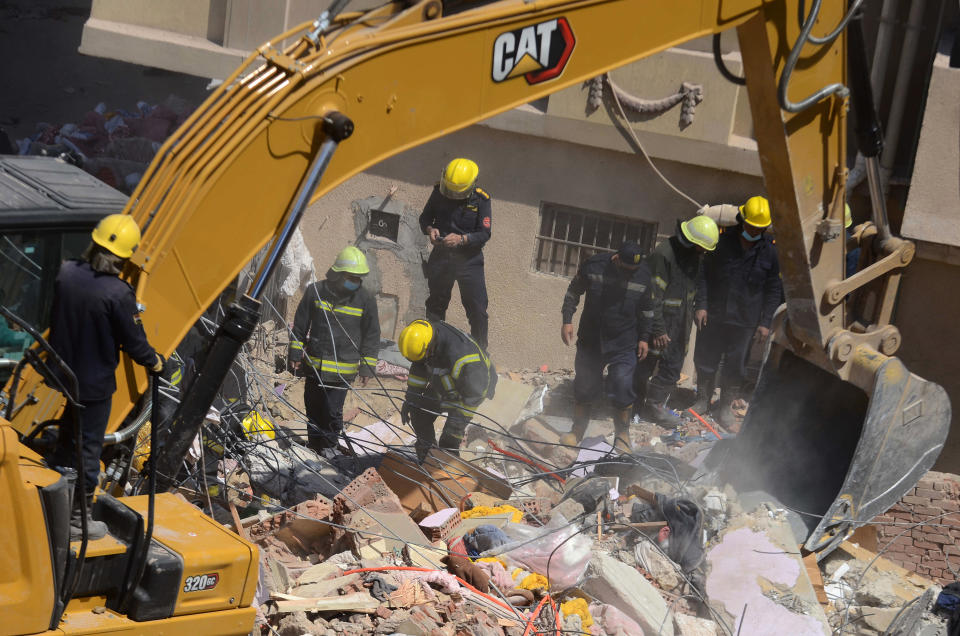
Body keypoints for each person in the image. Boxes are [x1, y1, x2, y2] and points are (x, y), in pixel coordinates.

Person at [47, 213, 164, 540]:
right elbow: (132, 340)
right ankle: (74, 521)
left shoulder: (66, 272)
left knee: (68, 437)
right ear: (126, 256)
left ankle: (51, 494)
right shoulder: (117, 292)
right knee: (88, 450)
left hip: (62, 375)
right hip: (94, 385)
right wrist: (154, 361)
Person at [692, 195, 782, 429]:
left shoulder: (770, 252)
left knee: (735, 365)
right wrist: (701, 304)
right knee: (707, 358)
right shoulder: (722, 243)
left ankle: (724, 408)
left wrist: (765, 322)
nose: (754, 230)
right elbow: (704, 275)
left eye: (759, 228)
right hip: (715, 315)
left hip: (745, 321)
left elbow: (773, 289)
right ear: (742, 220)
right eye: (751, 225)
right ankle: (702, 400)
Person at [559, 242, 655, 452]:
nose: (630, 274)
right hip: (592, 338)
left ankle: (622, 434)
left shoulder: (644, 275)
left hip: (624, 341)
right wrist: (567, 319)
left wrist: (645, 337)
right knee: (584, 384)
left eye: (634, 271)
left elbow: (647, 309)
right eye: (626, 269)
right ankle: (577, 429)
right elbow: (573, 292)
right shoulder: (594, 266)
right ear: (616, 258)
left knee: (622, 385)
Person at [289, 246, 380, 456]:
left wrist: (367, 367)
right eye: (351, 277)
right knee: (313, 408)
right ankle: (314, 446)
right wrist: (295, 354)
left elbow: (372, 335)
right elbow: (300, 325)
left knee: (331, 412)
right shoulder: (316, 291)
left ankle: (328, 448)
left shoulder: (365, 299)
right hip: (315, 368)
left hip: (342, 373)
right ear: (338, 274)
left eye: (359, 278)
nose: (355, 282)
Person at [634, 215, 719, 428]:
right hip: (659, 321)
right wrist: (658, 329)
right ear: (693, 241)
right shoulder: (664, 255)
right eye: (702, 248)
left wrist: (700, 305)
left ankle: (654, 407)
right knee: (645, 365)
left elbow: (698, 282)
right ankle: (632, 407)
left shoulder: (693, 256)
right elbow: (651, 296)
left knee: (672, 366)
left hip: (680, 321)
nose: (704, 253)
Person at [398, 318, 497, 462]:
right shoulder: (426, 338)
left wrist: (455, 428)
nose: (422, 361)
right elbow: (419, 369)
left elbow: (473, 396)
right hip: (447, 384)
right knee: (418, 413)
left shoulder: (466, 358)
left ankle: (449, 475)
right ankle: (429, 459)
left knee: (449, 442)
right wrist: (411, 400)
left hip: (469, 393)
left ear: (430, 346)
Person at [419, 158, 492, 349]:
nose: (451, 195)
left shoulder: (482, 199)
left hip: (469, 260)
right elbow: (425, 218)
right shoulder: (438, 192)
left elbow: (484, 234)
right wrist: (430, 229)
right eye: (449, 190)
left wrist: (462, 239)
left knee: (477, 310)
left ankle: (480, 353)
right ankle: (433, 349)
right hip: (442, 257)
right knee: (436, 305)